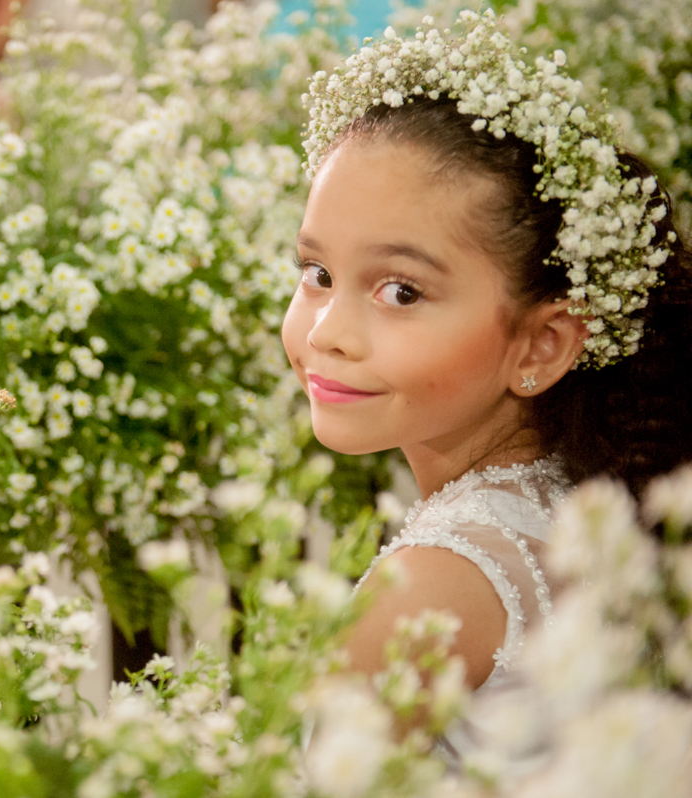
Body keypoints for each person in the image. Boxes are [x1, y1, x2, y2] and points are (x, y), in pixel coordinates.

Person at [281, 10, 692, 765]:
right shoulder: (592, 511)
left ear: (542, 344)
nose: (327, 332)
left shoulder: (427, 589)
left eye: (401, 291)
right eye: (318, 273)